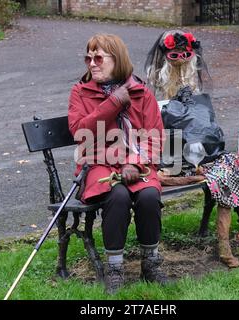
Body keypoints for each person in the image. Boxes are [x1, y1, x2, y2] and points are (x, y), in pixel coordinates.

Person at [145, 30, 239, 268]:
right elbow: (161, 139)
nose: (181, 61)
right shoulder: (157, 96)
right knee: (222, 179)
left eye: (186, 55)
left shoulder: (196, 95)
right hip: (177, 159)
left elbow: (207, 128)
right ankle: (224, 248)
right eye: (174, 55)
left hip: (208, 153)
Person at [68, 34, 168, 294]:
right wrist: (113, 103)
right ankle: (115, 268)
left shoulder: (141, 93)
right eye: (88, 58)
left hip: (137, 164)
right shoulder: (80, 92)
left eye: (98, 58)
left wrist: (135, 162)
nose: (92, 63)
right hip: (98, 166)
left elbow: (154, 136)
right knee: (118, 194)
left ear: (117, 59)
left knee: (147, 195)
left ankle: (151, 263)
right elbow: (80, 134)